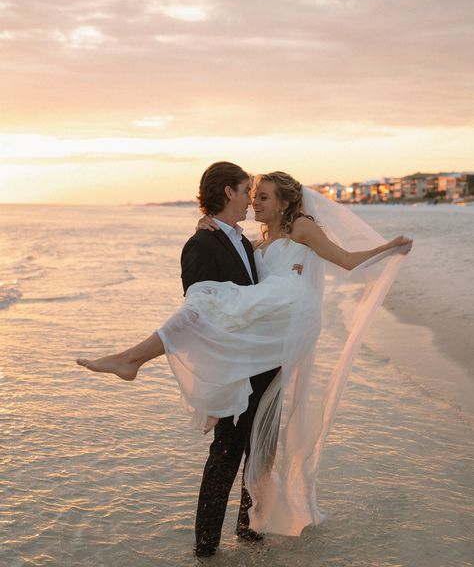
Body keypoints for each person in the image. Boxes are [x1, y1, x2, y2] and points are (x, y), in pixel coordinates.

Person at [76, 166, 412, 551]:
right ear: (229, 194)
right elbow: (234, 259)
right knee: (251, 443)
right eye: (250, 194)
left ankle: (134, 358)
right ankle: (236, 534)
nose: (254, 202)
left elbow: (346, 260)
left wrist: (389, 248)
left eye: (263, 197)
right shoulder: (251, 242)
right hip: (261, 342)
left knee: (216, 306)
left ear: (285, 202)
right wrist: (208, 222)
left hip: (283, 318)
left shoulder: (301, 226)